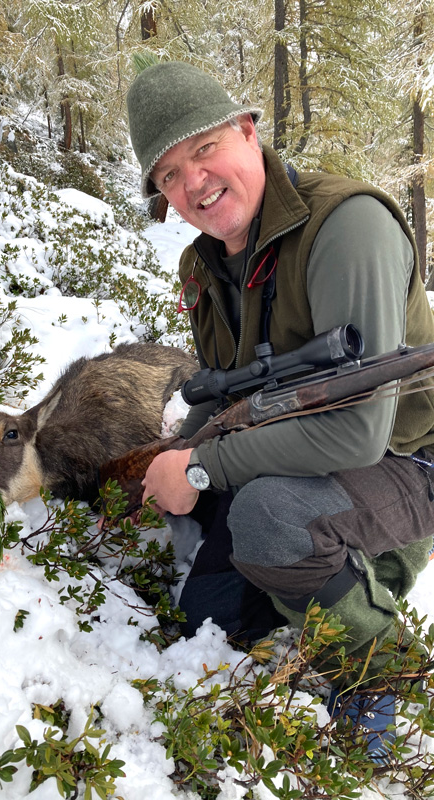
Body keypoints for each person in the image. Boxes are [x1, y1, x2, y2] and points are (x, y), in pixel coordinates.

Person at [126, 60, 434, 761]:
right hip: (303, 445)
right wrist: (171, 463)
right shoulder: (202, 267)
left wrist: (200, 469)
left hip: (409, 455)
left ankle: (379, 667)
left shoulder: (347, 226)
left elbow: (359, 434)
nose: (193, 182)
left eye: (204, 149)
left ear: (247, 130)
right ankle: (329, 581)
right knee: (213, 616)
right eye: (169, 174)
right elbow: (230, 394)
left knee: (264, 516)